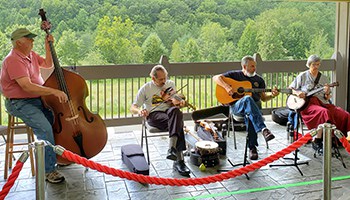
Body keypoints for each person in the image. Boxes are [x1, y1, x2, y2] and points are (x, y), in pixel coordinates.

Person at [0, 24, 68, 184]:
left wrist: (48, 45)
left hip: (36, 99)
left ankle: (55, 157)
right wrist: (53, 91)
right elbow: (26, 86)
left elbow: (47, 64)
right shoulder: (13, 60)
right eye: (28, 38)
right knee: (44, 128)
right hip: (20, 103)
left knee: (53, 122)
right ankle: (49, 171)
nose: (32, 41)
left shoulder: (30, 54)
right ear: (18, 43)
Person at [213, 55, 279, 160]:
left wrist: (273, 95)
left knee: (250, 115)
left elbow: (264, 98)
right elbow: (216, 77)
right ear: (244, 66)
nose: (255, 68)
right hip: (237, 108)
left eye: (255, 66)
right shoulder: (235, 75)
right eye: (252, 66)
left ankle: (252, 148)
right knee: (247, 99)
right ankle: (263, 129)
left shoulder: (259, 80)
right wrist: (226, 86)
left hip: (253, 110)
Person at [130, 65, 190, 176]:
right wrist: (140, 111)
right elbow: (133, 107)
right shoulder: (146, 88)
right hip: (154, 115)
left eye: (165, 78)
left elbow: (173, 101)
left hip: (169, 113)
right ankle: (180, 161)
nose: (164, 81)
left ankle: (172, 148)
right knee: (178, 123)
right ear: (153, 78)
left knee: (176, 112)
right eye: (161, 79)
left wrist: (179, 103)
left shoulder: (170, 84)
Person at [289, 54, 350, 152]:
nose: (316, 67)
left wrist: (327, 92)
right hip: (308, 104)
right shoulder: (303, 76)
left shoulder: (324, 78)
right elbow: (291, 88)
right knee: (324, 112)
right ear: (309, 65)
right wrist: (298, 92)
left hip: (323, 102)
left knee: (343, 114)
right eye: (314, 64)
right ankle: (317, 140)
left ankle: (338, 139)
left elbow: (327, 97)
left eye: (318, 64)